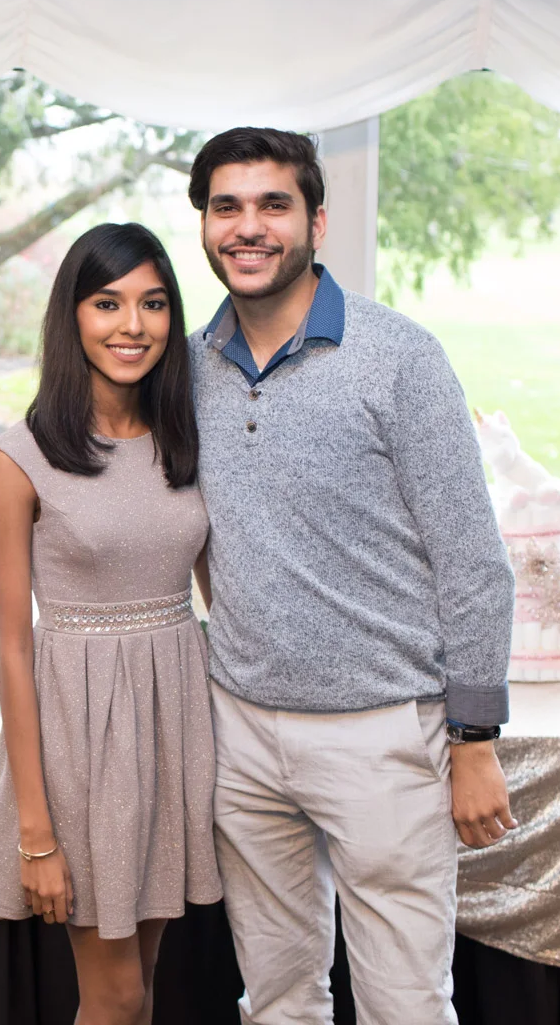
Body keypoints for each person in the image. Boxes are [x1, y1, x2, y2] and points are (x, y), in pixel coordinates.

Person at [187, 126, 518, 1024]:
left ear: (316, 222)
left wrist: (474, 738)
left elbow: (472, 559)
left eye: (274, 205)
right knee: (277, 998)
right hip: (240, 730)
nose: (248, 227)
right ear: (206, 224)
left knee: (405, 1003)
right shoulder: (191, 365)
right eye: (226, 207)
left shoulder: (399, 357)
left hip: (383, 735)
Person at [0, 222, 219, 1025]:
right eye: (107, 303)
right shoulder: (19, 460)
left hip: (174, 732)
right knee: (114, 997)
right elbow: (13, 650)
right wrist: (35, 834)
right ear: (71, 316)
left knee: (140, 987)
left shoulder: (186, 440)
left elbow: (221, 598)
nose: (133, 325)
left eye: (154, 303)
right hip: (82, 743)